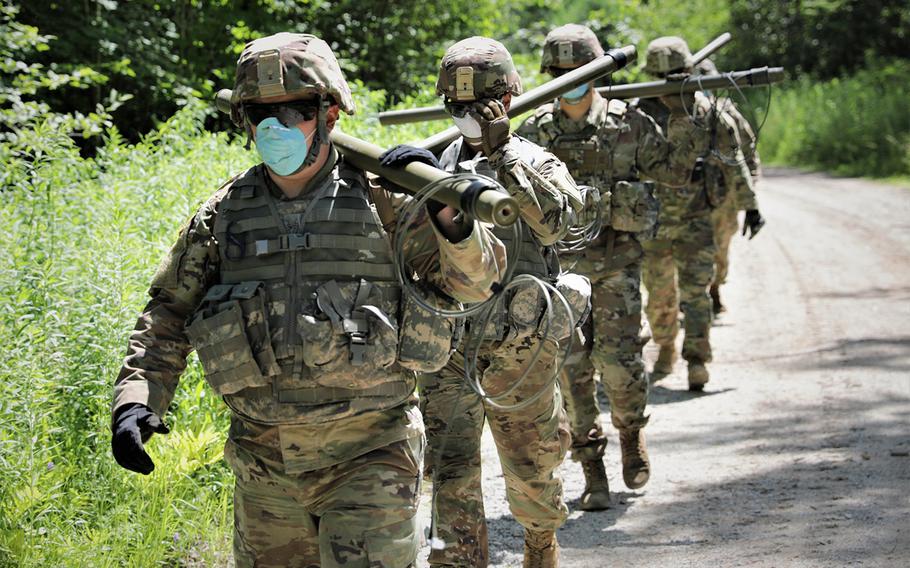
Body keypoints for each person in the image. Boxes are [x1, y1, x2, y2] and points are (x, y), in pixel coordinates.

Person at [110, 32, 506, 568]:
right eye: (259, 113)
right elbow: (165, 317)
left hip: (372, 456)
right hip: (262, 466)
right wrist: (137, 399)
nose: (275, 127)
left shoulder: (385, 201)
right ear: (244, 120)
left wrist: (446, 211)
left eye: (295, 109)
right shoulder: (224, 215)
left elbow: (475, 284)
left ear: (331, 113)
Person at [420, 36, 584, 568]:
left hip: (519, 349)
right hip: (447, 344)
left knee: (531, 466)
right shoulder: (434, 165)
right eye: (457, 107)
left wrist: (502, 155)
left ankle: (541, 541)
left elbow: (559, 224)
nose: (468, 116)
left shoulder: (538, 162)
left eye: (480, 105)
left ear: (507, 100)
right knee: (449, 471)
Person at [517, 23, 683, 509]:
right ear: (549, 76)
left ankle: (631, 434)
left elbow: (674, 171)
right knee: (571, 370)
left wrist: (680, 110)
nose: (571, 79)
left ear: (597, 74)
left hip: (615, 265)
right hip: (559, 273)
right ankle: (592, 469)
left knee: (618, 360)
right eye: (562, 72)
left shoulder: (628, 124)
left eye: (580, 70)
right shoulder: (534, 132)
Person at [635, 36, 763, 390]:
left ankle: (696, 360)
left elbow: (733, 157)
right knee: (659, 295)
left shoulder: (708, 110)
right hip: (653, 222)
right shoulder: (635, 114)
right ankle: (665, 347)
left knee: (695, 295)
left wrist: (749, 204)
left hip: (696, 218)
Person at [694, 58, 765, 315]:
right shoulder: (679, 110)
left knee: (719, 249)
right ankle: (692, 297)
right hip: (688, 194)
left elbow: (746, 153)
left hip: (724, 196)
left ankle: (714, 289)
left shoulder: (727, 114)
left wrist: (749, 196)